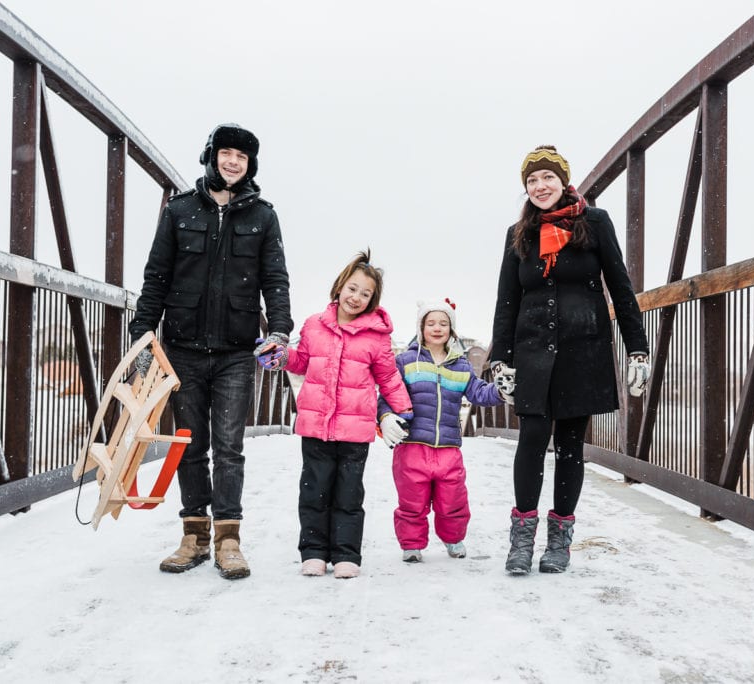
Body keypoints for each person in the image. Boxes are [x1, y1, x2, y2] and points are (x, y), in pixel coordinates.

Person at [128, 123, 293, 581]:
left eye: (242, 156)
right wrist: (143, 333)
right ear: (212, 156)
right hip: (182, 348)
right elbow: (157, 276)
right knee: (191, 445)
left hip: (236, 351)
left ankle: (229, 540)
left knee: (229, 448)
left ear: (250, 164)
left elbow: (275, 279)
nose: (233, 162)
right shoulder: (179, 210)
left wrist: (280, 330)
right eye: (226, 153)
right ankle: (194, 536)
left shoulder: (263, 216)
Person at [490, 144, 651, 575]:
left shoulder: (594, 222)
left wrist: (638, 348)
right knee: (531, 440)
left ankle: (559, 541)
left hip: (583, 350)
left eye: (547, 177)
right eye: (531, 180)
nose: (540, 186)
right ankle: (521, 540)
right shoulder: (518, 234)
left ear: (563, 181)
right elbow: (507, 301)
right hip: (532, 352)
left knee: (569, 447)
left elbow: (621, 287)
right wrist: (500, 359)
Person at [279, 250, 412, 579]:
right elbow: (301, 362)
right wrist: (282, 357)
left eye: (365, 294)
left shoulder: (377, 337)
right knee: (314, 491)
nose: (356, 297)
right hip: (316, 425)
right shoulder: (314, 325)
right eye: (352, 288)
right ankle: (313, 552)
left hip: (355, 431)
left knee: (349, 494)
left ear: (372, 300)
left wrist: (404, 410)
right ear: (339, 287)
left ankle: (346, 554)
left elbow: (388, 377)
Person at [377, 298, 505, 563]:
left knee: (453, 500)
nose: (437, 328)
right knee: (412, 501)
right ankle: (412, 545)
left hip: (448, 448)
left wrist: (501, 390)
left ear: (451, 329)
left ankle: (454, 538)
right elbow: (388, 394)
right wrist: (386, 416)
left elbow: (479, 393)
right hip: (412, 446)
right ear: (421, 327)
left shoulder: (461, 366)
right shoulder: (406, 361)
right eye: (431, 323)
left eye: (444, 323)